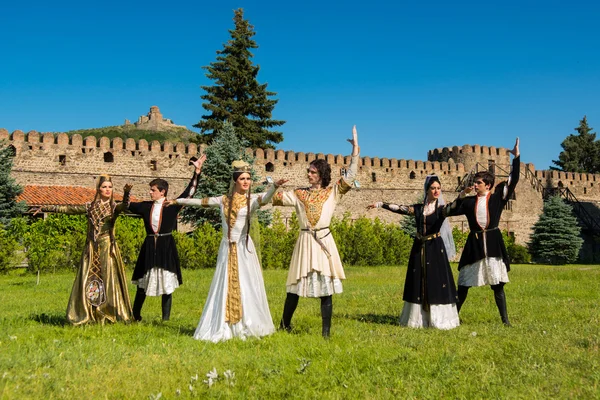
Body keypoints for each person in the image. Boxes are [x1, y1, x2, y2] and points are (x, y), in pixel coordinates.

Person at [169, 160, 285, 342]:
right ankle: (224, 324)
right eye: (242, 179)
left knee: (247, 284)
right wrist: (177, 201)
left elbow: (266, 198)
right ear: (235, 181)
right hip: (226, 249)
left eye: (248, 178)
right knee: (224, 284)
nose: (246, 182)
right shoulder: (223, 200)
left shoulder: (252, 200)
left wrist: (275, 187)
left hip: (243, 250)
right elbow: (200, 202)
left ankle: (247, 323)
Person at [273, 126, 360, 338]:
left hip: (323, 240)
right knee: (294, 285)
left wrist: (355, 150)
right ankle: (284, 325)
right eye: (308, 171)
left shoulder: (333, 192)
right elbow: (275, 199)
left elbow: (351, 175)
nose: (309, 174)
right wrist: (271, 187)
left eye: (313, 172)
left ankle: (326, 333)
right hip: (304, 241)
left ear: (321, 175)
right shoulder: (299, 194)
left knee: (326, 288)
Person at [367, 175, 460, 329]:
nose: (436, 191)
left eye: (438, 188)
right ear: (427, 190)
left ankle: (439, 320)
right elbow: (400, 208)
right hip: (419, 248)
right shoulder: (418, 209)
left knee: (437, 281)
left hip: (436, 248)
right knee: (417, 280)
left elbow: (454, 206)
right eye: (433, 188)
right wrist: (380, 204)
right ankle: (418, 320)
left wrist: (462, 195)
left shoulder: (441, 210)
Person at [38, 175, 133, 325]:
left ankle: (108, 312)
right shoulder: (90, 206)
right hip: (91, 247)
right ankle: (89, 312)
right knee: (87, 278)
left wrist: (127, 193)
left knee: (108, 279)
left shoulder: (114, 207)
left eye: (110, 187)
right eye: (104, 187)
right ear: (98, 189)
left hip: (107, 247)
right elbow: (69, 209)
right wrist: (46, 208)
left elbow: (125, 206)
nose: (107, 190)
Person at [451, 138, 520, 326]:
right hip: (474, 245)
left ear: (487, 185)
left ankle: (505, 321)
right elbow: (449, 211)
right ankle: (452, 317)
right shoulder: (468, 202)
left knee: (498, 286)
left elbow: (513, 181)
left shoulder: (498, 198)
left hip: (492, 244)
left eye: (478, 183)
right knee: (463, 284)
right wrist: (462, 194)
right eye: (474, 182)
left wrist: (516, 158)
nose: (475, 185)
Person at [128, 155, 205, 321]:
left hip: (166, 246)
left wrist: (197, 172)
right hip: (149, 246)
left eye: (153, 190)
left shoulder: (172, 206)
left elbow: (189, 193)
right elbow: (124, 205)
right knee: (143, 281)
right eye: (150, 190)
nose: (150, 192)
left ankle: (166, 319)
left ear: (162, 191)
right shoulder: (144, 206)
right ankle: (135, 315)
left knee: (167, 284)